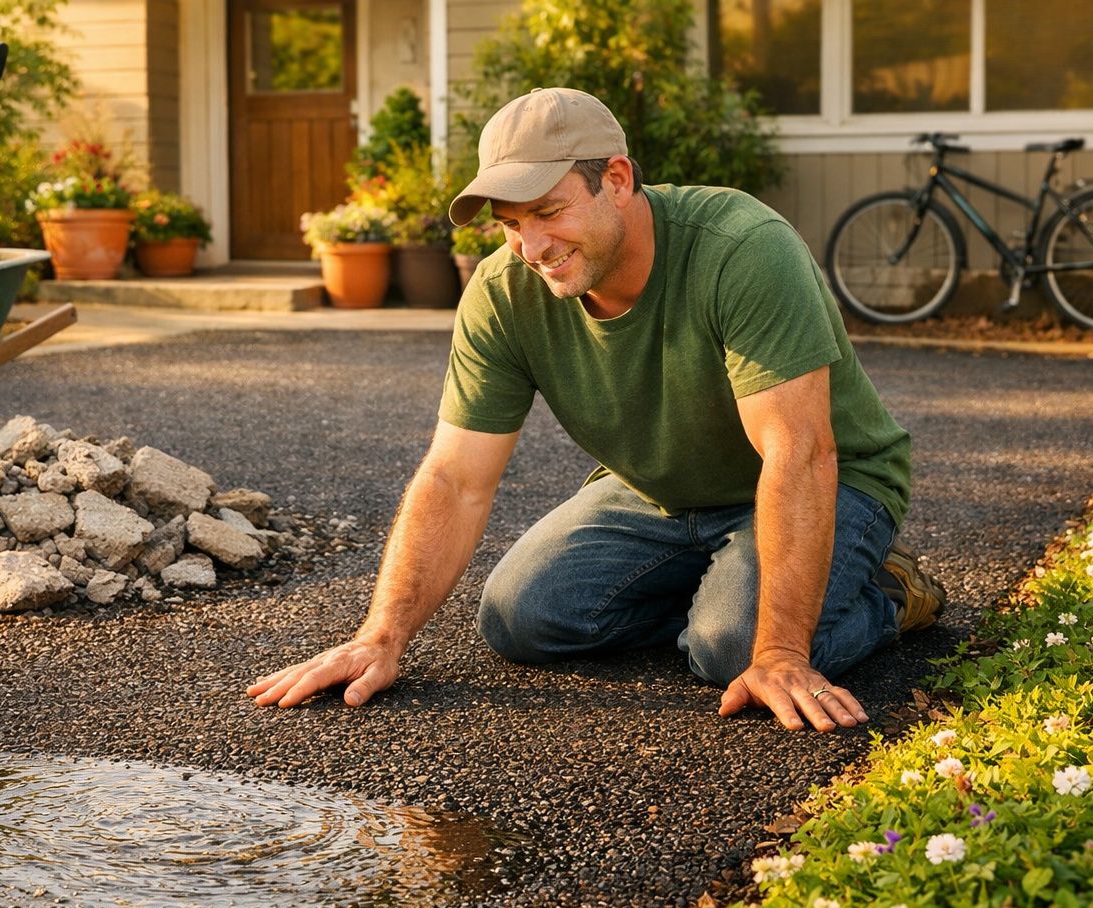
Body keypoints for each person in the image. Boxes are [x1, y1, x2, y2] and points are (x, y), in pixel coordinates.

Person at [248, 87, 945, 732]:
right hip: (659, 491)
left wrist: (783, 649)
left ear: (616, 179)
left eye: (548, 212)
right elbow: (456, 478)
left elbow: (800, 452)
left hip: (826, 479)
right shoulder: (501, 294)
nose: (533, 248)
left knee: (733, 648)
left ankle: (883, 591)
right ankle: (732, 587)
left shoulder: (742, 249)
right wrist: (382, 636)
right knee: (522, 617)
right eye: (510, 224)